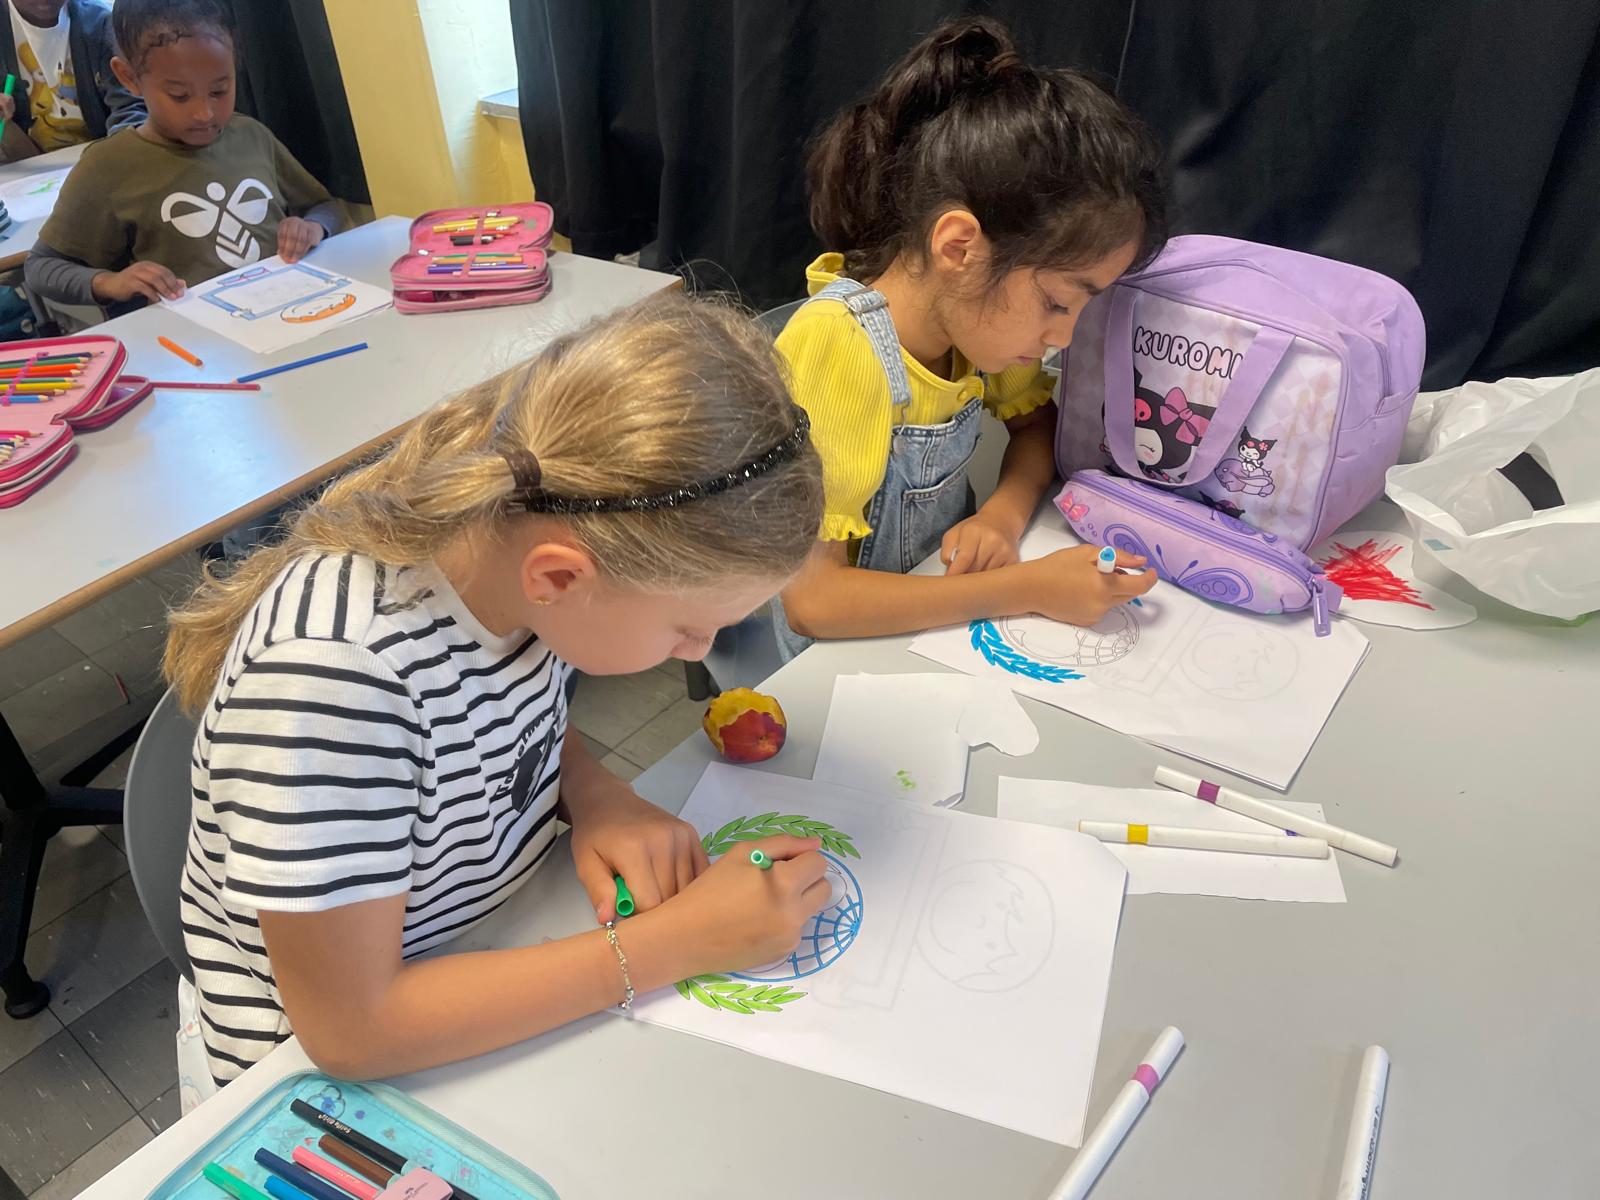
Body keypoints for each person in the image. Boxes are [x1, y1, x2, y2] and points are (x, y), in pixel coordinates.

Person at [161, 294, 831, 1100]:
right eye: (690, 628)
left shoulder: (512, 572)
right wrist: (676, 945)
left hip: (480, 951)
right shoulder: (335, 679)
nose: (701, 652)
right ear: (560, 577)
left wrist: (597, 796)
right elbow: (350, 1030)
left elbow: (500, 719)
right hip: (308, 1083)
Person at [773, 17, 1166, 657]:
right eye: (1056, 302)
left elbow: (1036, 427)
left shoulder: (974, 324)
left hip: (931, 626)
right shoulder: (838, 349)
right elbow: (813, 602)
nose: (1062, 337)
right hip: (838, 659)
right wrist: (1025, 588)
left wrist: (1002, 516)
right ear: (960, 248)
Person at [23, 0, 341, 312]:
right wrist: (109, 282)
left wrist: (313, 227)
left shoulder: (251, 135)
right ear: (128, 77)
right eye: (180, 95)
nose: (205, 113)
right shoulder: (107, 166)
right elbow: (41, 267)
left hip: (287, 308)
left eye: (219, 90)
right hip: (194, 337)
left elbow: (323, 206)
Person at [0, 0, 145, 160]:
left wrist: (116, 155)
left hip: (98, 158)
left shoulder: (100, 25)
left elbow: (130, 106)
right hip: (20, 166)